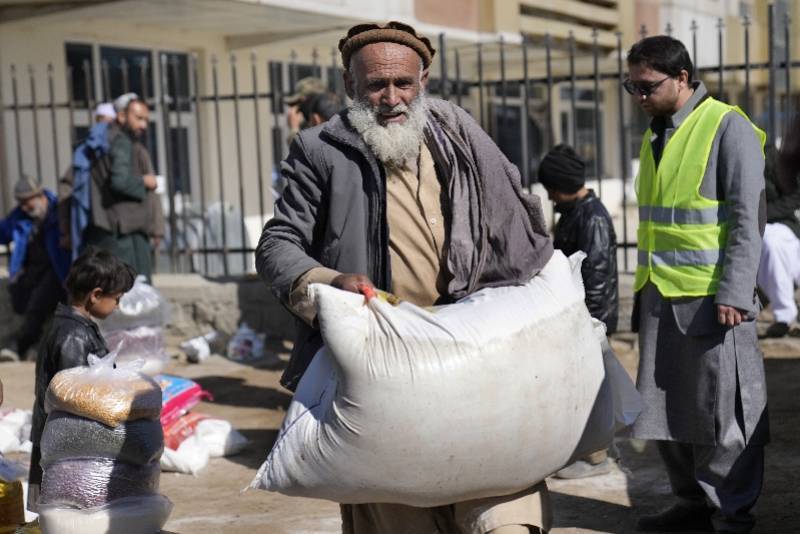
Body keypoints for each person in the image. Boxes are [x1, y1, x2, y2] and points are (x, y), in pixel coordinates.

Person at [257, 20, 554, 534]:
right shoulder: (320, 149)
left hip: (478, 352)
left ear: (424, 82)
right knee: (400, 504)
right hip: (385, 360)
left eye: (403, 83)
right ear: (350, 87)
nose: (390, 97)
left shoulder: (459, 136)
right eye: (375, 84)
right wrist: (329, 281)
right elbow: (278, 245)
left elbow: (515, 221)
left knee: (501, 499)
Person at [625, 36, 769, 534]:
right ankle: (691, 504)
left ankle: (731, 513)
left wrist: (735, 290)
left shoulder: (728, 128)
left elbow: (748, 220)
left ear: (683, 77)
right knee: (665, 410)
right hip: (661, 295)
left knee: (723, 413)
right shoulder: (655, 134)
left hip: (712, 300)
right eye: (632, 87)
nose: (639, 96)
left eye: (647, 86)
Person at [27, 247, 136, 512]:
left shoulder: (77, 326)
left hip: (63, 443)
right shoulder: (72, 336)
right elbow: (76, 398)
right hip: (64, 447)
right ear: (95, 295)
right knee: (66, 513)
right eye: (117, 298)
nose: (118, 305)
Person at [537, 144, 618, 479]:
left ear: (563, 185)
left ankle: (596, 457)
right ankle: (589, 450)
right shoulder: (573, 213)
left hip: (589, 319)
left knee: (589, 389)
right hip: (576, 316)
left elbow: (597, 277)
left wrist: (590, 322)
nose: (551, 197)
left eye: (552, 189)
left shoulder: (593, 217)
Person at [82, 98, 159, 280]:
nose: (144, 125)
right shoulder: (121, 142)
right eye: (138, 118)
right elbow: (119, 182)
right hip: (125, 232)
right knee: (133, 292)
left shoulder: (105, 139)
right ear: (122, 116)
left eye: (146, 120)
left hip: (114, 227)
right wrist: (145, 181)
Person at [0, 176, 71, 362]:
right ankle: (31, 346)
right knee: (26, 299)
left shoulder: (57, 210)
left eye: (27, 202)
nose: (25, 207)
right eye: (21, 203)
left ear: (39, 196)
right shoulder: (20, 217)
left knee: (39, 303)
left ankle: (19, 346)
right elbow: (4, 230)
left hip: (58, 271)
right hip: (32, 271)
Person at [757, 115, 800, 338]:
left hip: (778, 225)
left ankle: (784, 315)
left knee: (772, 244)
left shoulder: (770, 156)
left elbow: (795, 195)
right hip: (745, 228)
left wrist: (764, 216)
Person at [285, 76, 326, 144]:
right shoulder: (309, 124)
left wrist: (294, 128)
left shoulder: (327, 123)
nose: (296, 109)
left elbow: (305, 151)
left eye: (300, 102)